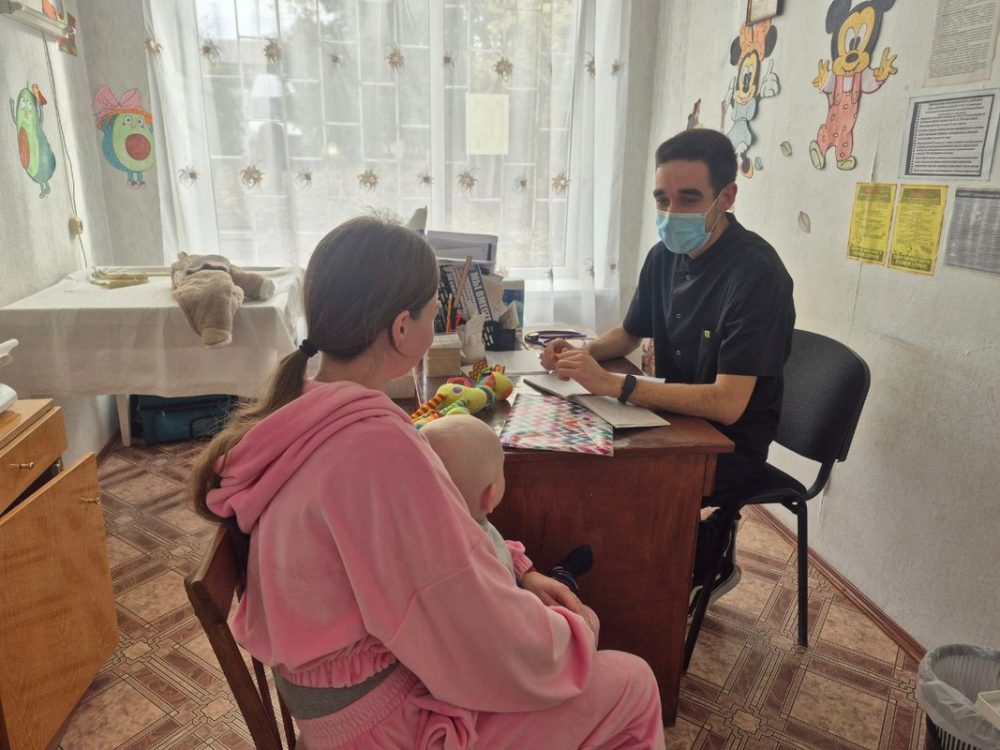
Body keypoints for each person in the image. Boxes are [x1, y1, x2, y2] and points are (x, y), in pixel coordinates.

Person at [191, 216, 665, 750]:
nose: (439, 319)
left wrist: (518, 571)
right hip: (381, 727)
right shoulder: (374, 446)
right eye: (435, 311)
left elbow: (435, 562)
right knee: (633, 683)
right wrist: (571, 635)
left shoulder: (302, 410)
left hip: (340, 704)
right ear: (402, 328)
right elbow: (467, 622)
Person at [541, 128, 795, 612]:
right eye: (662, 198)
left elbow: (728, 403)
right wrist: (581, 353)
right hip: (673, 419)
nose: (671, 212)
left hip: (726, 444)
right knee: (576, 463)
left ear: (727, 197)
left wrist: (617, 385)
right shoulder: (664, 256)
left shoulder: (757, 276)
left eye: (689, 199)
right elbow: (629, 333)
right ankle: (613, 575)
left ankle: (691, 564)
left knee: (619, 482)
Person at [422, 414, 596, 628]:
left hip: (519, 589)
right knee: (588, 616)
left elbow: (498, 545)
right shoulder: (478, 573)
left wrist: (527, 573)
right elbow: (517, 625)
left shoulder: (446, 529)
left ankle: (559, 576)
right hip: (521, 620)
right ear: (490, 496)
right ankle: (563, 575)